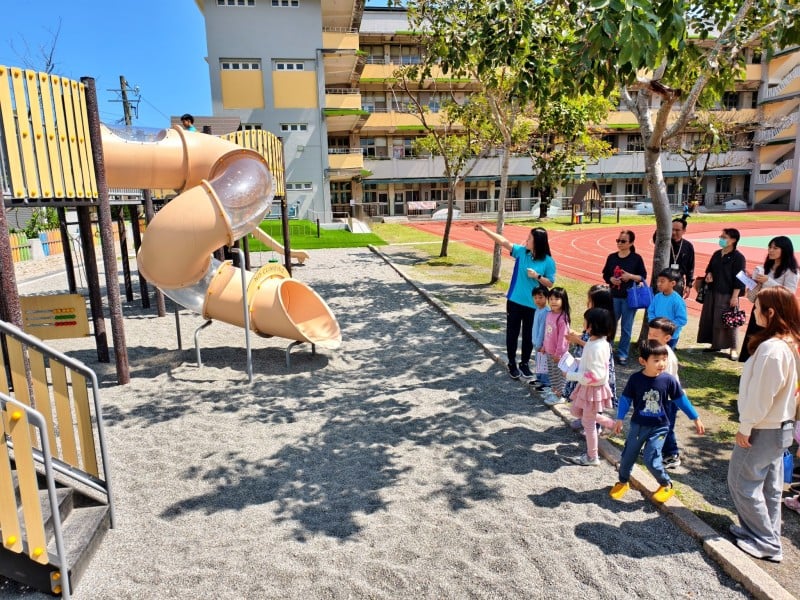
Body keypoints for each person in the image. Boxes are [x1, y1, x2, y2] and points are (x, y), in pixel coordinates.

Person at [727, 286, 800, 563]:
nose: (752, 312)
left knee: (741, 481)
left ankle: (766, 542)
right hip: (780, 425)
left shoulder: (772, 350)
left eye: (756, 307)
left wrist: (746, 426)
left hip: (763, 426)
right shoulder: (790, 343)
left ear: (770, 312)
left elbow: (761, 395)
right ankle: (762, 532)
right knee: (769, 485)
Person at [610, 340, 705, 503]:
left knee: (651, 457)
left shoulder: (668, 380)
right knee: (627, 456)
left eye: (664, 359)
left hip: (660, 427)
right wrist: (619, 418)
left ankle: (665, 484)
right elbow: (626, 399)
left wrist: (695, 417)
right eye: (656, 360)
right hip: (638, 426)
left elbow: (681, 400)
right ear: (643, 361)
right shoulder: (635, 379)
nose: (662, 363)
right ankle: (623, 482)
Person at [474, 224, 556, 380]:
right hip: (514, 301)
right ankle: (512, 363)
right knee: (512, 333)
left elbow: (550, 283)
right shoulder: (521, 252)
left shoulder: (548, 261)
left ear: (538, 241)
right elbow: (503, 241)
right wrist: (484, 230)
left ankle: (524, 363)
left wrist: (537, 276)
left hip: (533, 305)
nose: (527, 239)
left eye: (530, 238)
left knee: (528, 335)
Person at [564, 308, 617, 466]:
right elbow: (594, 365)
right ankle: (612, 425)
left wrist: (571, 375)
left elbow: (596, 375)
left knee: (588, 423)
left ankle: (592, 457)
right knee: (579, 412)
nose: (583, 324)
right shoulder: (596, 342)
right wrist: (579, 362)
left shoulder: (597, 346)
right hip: (588, 388)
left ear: (592, 325)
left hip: (592, 389)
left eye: (585, 321)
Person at [738, 236, 799, 362]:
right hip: (760, 306)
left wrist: (769, 281)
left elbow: (789, 293)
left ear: (785, 250)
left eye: (775, 248)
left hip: (776, 312)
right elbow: (757, 287)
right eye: (769, 247)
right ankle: (749, 364)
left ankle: (764, 367)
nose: (771, 250)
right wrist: (750, 280)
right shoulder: (766, 267)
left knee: (767, 338)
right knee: (754, 336)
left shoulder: (791, 271)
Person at [565, 284, 617, 431]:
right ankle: (585, 418)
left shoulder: (604, 320)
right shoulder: (594, 317)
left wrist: (577, 340)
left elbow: (594, 344)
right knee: (584, 394)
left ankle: (596, 423)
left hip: (596, 365)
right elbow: (588, 337)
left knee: (595, 397)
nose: (587, 303)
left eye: (590, 300)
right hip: (586, 361)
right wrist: (577, 336)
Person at [695, 228, 746, 360]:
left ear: (733, 240)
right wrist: (709, 275)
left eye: (724, 237)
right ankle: (715, 344)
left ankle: (733, 348)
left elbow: (739, 279)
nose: (721, 239)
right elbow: (709, 269)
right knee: (712, 318)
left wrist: (735, 296)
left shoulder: (738, 258)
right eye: (721, 236)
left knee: (729, 321)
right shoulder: (717, 254)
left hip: (728, 294)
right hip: (712, 291)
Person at [601, 229, 647, 365]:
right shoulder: (612, 257)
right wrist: (610, 279)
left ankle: (622, 354)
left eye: (623, 241)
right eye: (618, 240)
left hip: (629, 298)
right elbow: (605, 274)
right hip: (613, 296)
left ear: (631, 243)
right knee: (610, 325)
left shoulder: (636, 258)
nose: (619, 243)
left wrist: (630, 276)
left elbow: (642, 277)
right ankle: (606, 351)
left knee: (626, 327)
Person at [647, 318, 683, 469]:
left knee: (665, 427)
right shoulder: (656, 351)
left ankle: (671, 454)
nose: (650, 337)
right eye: (649, 333)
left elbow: (663, 382)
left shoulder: (666, 357)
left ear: (667, 338)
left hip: (667, 399)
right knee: (655, 425)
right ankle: (655, 450)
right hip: (658, 396)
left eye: (655, 335)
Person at [541, 287, 571, 406]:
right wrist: (544, 345)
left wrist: (558, 354)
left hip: (557, 354)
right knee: (552, 373)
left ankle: (560, 395)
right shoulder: (549, 314)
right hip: (549, 351)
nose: (553, 301)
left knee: (559, 375)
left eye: (556, 299)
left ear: (563, 300)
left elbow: (563, 338)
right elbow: (546, 332)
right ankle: (554, 391)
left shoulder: (562, 318)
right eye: (551, 299)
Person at [647, 268, 687, 348]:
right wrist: (654, 323)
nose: (658, 284)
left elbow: (682, 319)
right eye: (658, 281)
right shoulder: (657, 297)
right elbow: (651, 311)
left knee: (666, 356)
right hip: (656, 334)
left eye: (662, 281)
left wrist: (666, 327)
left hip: (670, 337)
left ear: (672, 283)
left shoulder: (677, 300)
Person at [530, 286, 551, 390]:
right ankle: (539, 379)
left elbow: (543, 330)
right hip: (536, 341)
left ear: (546, 297)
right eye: (535, 297)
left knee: (544, 363)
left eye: (540, 297)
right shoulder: (538, 309)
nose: (537, 300)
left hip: (541, 344)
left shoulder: (546, 312)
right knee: (538, 361)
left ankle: (546, 383)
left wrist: (539, 344)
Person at [669, 218, 695, 298]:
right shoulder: (664, 242)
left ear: (684, 231)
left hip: (678, 281)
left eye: (677, 230)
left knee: (675, 306)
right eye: (672, 229)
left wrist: (688, 285)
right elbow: (656, 237)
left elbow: (690, 267)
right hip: (663, 279)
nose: (673, 232)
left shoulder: (688, 246)